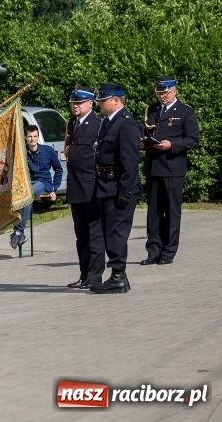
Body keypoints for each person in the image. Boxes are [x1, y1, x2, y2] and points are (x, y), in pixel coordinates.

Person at [140, 75, 200, 265]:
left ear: (174, 91)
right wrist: (142, 142)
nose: (162, 96)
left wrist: (172, 144)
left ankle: (168, 251)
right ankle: (153, 251)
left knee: (172, 211)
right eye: (159, 93)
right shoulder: (152, 109)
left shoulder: (185, 111)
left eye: (165, 93)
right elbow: (145, 131)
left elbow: (193, 139)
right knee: (154, 212)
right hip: (153, 166)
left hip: (173, 167)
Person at [91, 83, 141, 294]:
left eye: (103, 100)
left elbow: (130, 161)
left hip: (118, 186)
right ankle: (121, 277)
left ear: (116, 100)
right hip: (106, 185)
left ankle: (117, 276)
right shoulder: (108, 122)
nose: (100, 104)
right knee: (109, 232)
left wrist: (125, 191)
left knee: (116, 233)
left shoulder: (126, 124)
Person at [63, 87, 103, 289]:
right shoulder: (72, 124)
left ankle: (95, 277)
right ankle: (84, 274)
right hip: (76, 187)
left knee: (94, 235)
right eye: (73, 103)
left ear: (90, 104)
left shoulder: (98, 124)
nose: (75, 106)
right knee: (81, 235)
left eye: (79, 103)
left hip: (91, 187)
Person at [10, 125, 63, 249]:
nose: (32, 139)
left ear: (38, 137)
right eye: (30, 136)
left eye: (35, 136)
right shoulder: (22, 152)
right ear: (25, 137)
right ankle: (19, 233)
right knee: (26, 197)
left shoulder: (48, 150)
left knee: (28, 194)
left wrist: (54, 188)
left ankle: (18, 231)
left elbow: (58, 169)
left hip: (43, 183)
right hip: (29, 184)